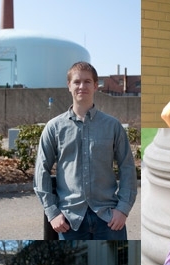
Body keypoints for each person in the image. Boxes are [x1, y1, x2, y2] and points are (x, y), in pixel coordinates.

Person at [34, 61, 137, 240]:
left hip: (109, 218)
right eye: (77, 82)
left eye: (87, 81)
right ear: (69, 86)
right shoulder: (54, 127)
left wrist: (123, 209)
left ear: (96, 86)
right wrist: (52, 212)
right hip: (68, 220)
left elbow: (127, 167)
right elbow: (41, 170)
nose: (82, 86)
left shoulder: (113, 126)